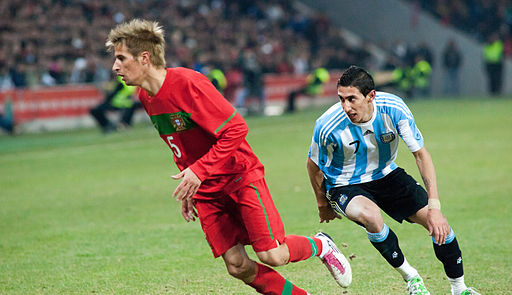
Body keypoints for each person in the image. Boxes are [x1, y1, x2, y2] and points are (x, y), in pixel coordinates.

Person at [106, 19, 351, 295]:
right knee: (236, 265)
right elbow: (180, 144)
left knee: (272, 255)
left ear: (144, 58)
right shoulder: (146, 97)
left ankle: (320, 245)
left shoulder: (188, 84)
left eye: (120, 58)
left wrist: (198, 171)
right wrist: (191, 185)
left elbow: (236, 129)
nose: (115, 67)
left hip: (239, 175)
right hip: (207, 189)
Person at [307, 66, 479, 295]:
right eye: (341, 99)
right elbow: (313, 164)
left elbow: (421, 155)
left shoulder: (394, 109)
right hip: (344, 183)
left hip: (387, 174)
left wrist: (435, 207)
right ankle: (411, 277)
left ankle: (460, 289)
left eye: (352, 99)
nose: (346, 107)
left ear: (371, 96)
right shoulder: (327, 125)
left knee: (439, 226)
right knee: (371, 216)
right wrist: (322, 204)